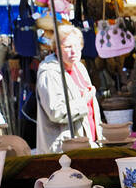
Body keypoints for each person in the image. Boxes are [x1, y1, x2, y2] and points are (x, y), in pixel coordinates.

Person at [35, 23, 101, 153]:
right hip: (63, 149)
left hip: (85, 144)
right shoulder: (50, 73)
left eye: (77, 46)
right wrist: (84, 101)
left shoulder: (79, 67)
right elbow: (56, 112)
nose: (74, 51)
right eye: (68, 47)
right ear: (56, 49)